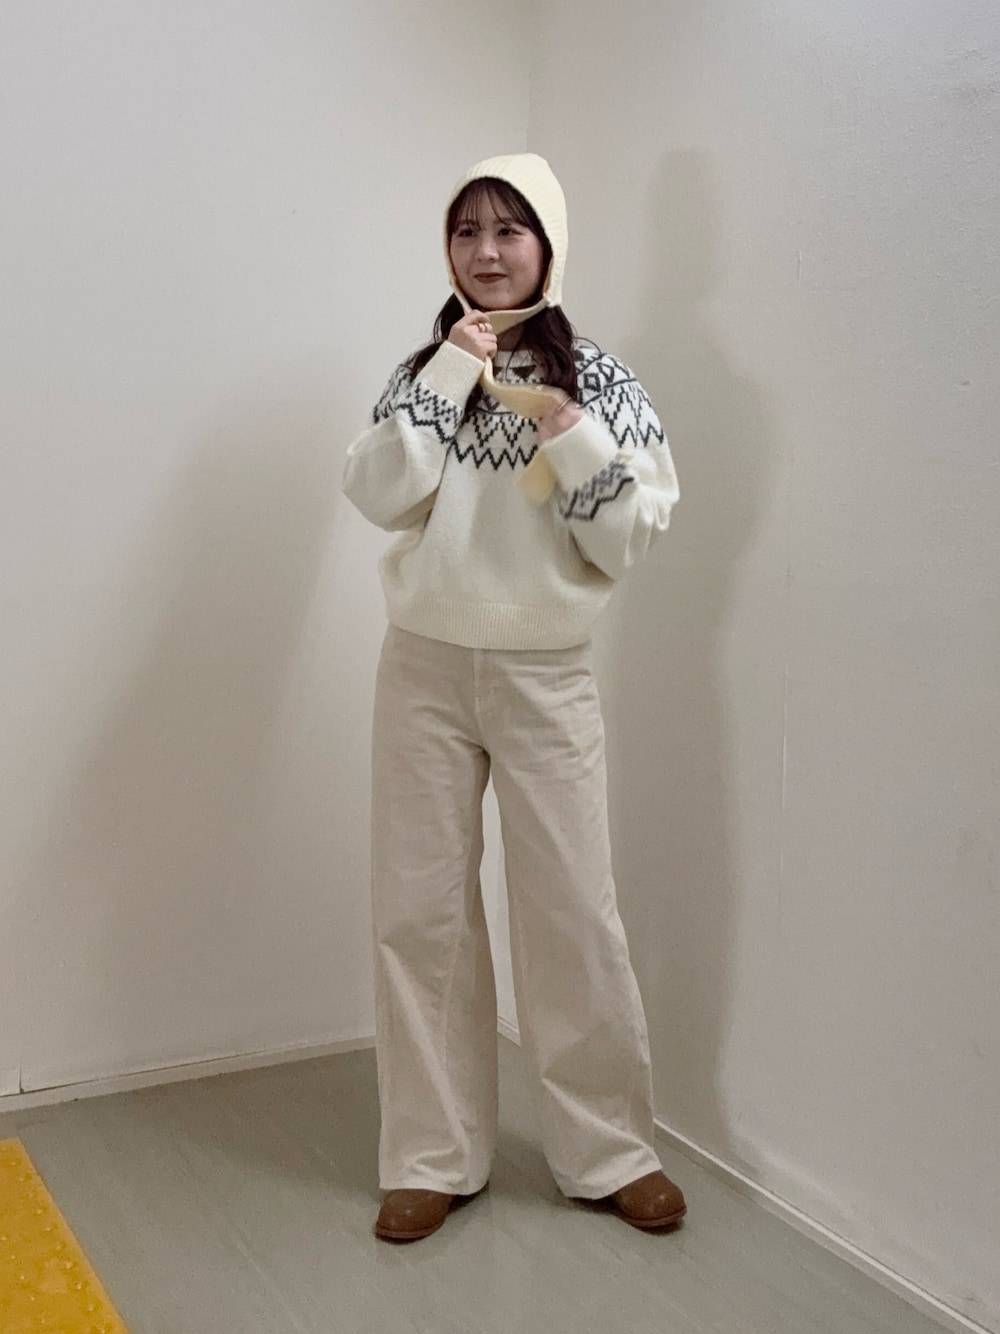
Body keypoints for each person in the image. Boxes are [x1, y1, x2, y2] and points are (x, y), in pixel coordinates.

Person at [342, 153, 684, 1242]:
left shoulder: (602, 378)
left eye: (508, 230)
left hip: (545, 672)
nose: (486, 252)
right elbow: (378, 492)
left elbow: (627, 537)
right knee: (420, 912)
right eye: (467, 232)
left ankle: (610, 1150)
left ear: (548, 244)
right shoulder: (422, 370)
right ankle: (432, 1154)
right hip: (424, 668)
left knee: (571, 908)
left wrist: (569, 433)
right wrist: (452, 369)